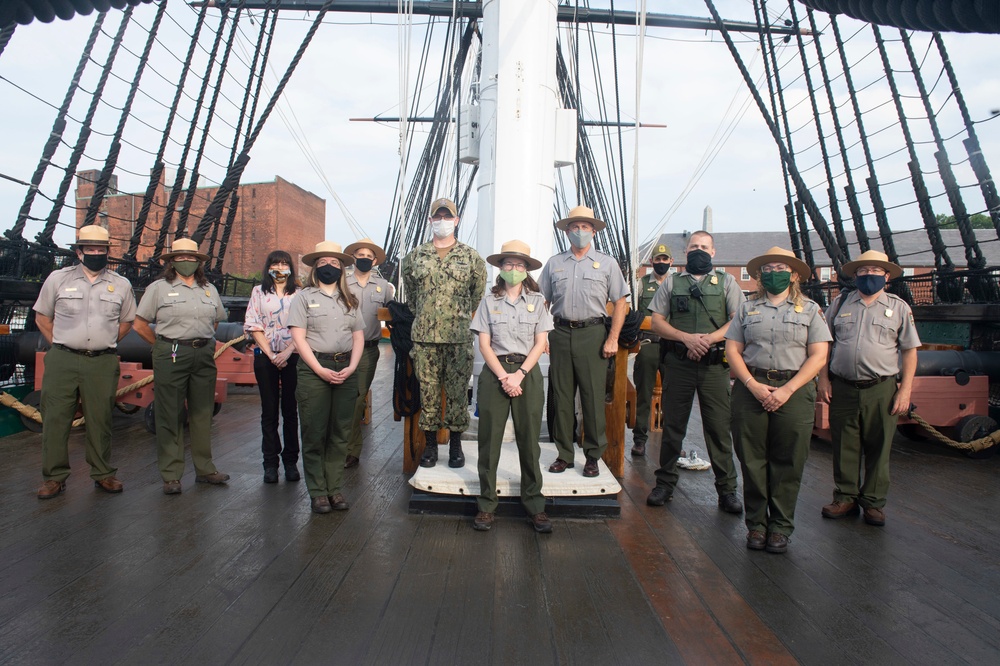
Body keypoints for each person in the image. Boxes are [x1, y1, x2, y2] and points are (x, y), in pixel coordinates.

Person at [725, 247, 831, 554]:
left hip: (794, 389)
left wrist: (787, 389)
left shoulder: (810, 310)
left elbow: (819, 355)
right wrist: (751, 384)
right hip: (750, 386)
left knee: (789, 459)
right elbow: (733, 350)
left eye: (781, 267)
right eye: (768, 268)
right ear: (760, 276)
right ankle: (756, 525)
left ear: (794, 275)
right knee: (752, 458)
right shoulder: (747, 309)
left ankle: (781, 526)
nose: (774, 273)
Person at [33, 225, 136, 499]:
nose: (95, 253)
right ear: (79, 252)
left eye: (100, 249)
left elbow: (127, 321)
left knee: (100, 418)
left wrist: (108, 339)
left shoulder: (121, 284)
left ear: (107, 252)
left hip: (101, 362)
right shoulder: (58, 279)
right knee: (55, 419)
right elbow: (42, 317)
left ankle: (103, 473)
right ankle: (54, 477)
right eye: (89, 249)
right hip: (62, 359)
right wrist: (59, 341)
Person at [818, 250, 920, 527]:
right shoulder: (839, 305)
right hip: (843, 386)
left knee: (879, 446)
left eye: (875, 271)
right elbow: (824, 344)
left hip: (882, 387)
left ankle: (873, 502)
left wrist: (905, 390)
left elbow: (910, 352)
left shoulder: (899, 307)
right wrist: (823, 379)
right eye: (863, 271)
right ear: (855, 275)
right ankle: (845, 497)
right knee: (844, 445)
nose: (868, 276)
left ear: (887, 276)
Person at [646, 230, 744, 512]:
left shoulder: (727, 283)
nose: (698, 250)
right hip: (679, 364)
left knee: (718, 429)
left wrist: (707, 340)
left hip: (714, 366)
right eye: (693, 247)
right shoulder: (672, 283)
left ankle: (727, 490)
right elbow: (657, 322)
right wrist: (685, 337)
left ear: (713, 252)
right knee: (673, 426)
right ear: (686, 251)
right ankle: (664, 483)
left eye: (704, 247)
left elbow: (737, 322)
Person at [538, 205, 629, 478]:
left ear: (593, 231)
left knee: (591, 397)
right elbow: (541, 301)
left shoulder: (608, 263)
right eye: (575, 227)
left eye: (585, 227)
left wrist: (613, 338)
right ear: (567, 231)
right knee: (562, 398)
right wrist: (542, 335)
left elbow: (620, 303)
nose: (580, 232)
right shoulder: (554, 263)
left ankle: (592, 455)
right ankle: (564, 453)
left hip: (593, 334)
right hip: (561, 332)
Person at [134, 237, 229, 495]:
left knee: (202, 412)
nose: (186, 261)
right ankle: (172, 474)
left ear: (198, 262)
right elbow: (140, 324)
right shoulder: (158, 289)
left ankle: (205, 468)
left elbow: (216, 322)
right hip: (171, 351)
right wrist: (162, 345)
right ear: (171, 262)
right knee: (170, 413)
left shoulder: (209, 289)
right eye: (180, 258)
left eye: (191, 258)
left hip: (203, 353)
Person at [470, 240, 554, 533]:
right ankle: (486, 504)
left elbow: (541, 342)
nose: (514, 269)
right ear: (501, 268)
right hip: (495, 372)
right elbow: (483, 343)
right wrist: (504, 376)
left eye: (520, 265)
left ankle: (534, 504)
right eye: (508, 264)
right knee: (489, 440)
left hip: (526, 373)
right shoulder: (488, 302)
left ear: (527, 269)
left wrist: (518, 375)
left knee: (530, 440)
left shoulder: (538, 301)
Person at [401, 197, 487, 469]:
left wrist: (454, 317)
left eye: (446, 217)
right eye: (437, 217)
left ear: (456, 220)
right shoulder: (414, 257)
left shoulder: (472, 258)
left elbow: (476, 296)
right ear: (430, 220)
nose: (442, 221)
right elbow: (413, 298)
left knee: (458, 393)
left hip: (458, 338)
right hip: (425, 339)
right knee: (427, 393)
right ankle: (429, 445)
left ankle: (455, 445)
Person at [287, 241, 364, 514]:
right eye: (323, 263)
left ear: (341, 269)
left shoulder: (350, 300)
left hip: (345, 367)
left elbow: (358, 336)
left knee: (340, 431)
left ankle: (335, 488)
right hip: (314, 368)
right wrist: (318, 369)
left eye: (334, 264)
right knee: (314, 430)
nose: (328, 268)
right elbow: (298, 337)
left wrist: (353, 367)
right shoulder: (304, 298)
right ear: (314, 268)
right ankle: (318, 491)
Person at [244, 250, 301, 484]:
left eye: (284, 263)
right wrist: (269, 353)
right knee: (269, 411)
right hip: (265, 354)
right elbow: (252, 323)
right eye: (276, 263)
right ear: (268, 267)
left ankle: (290, 462)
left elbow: (305, 326)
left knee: (290, 410)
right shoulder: (258, 292)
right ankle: (270, 463)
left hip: (294, 354)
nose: (280, 267)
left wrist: (287, 352)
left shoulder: (300, 294)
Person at [344, 238, 395, 469]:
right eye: (359, 255)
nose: (364, 259)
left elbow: (392, 313)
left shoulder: (383, 286)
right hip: (341, 347)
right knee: (338, 399)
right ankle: (335, 445)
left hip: (367, 350)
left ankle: (351, 450)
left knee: (356, 399)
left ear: (374, 261)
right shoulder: (340, 281)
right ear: (353, 257)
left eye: (368, 256)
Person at [631, 243, 672, 457]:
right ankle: (640, 439)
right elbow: (632, 311)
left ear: (671, 262)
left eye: (665, 260)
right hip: (648, 344)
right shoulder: (641, 285)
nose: (661, 263)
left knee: (672, 397)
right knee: (644, 394)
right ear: (652, 262)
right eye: (658, 259)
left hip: (672, 345)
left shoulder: (676, 285)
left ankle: (671, 441)